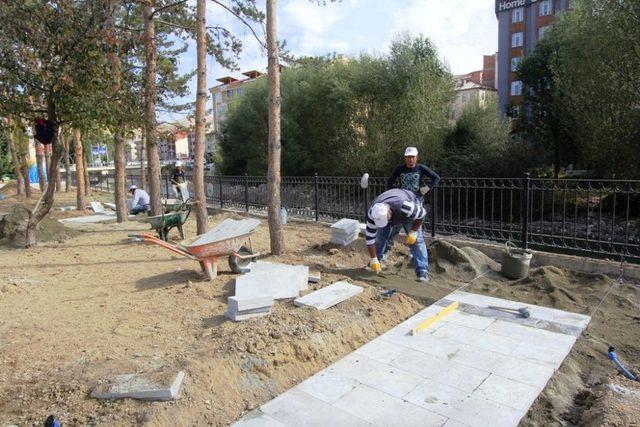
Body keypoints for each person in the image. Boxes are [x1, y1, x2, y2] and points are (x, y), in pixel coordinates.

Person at [382, 146, 440, 260]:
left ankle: (414, 253)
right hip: (402, 201)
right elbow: (390, 181)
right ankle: (384, 252)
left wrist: (427, 188)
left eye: (412, 157)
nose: (410, 159)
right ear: (405, 158)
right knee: (393, 228)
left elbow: (436, 178)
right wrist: (392, 193)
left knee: (414, 228)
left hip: (416, 200)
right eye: (408, 157)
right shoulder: (399, 169)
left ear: (416, 157)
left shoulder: (421, 168)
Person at [365, 188, 430, 282]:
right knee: (380, 237)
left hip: (407, 207)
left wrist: (414, 231)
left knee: (417, 241)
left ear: (389, 212)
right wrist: (373, 258)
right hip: (394, 211)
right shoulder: (373, 213)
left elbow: (422, 214)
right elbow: (370, 239)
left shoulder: (407, 206)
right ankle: (376, 262)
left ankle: (422, 272)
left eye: (385, 220)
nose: (384, 222)